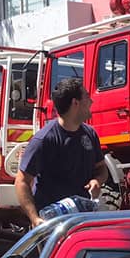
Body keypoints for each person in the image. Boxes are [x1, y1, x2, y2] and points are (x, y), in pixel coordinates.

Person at [15, 78, 108, 227]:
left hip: (82, 220)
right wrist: (35, 219)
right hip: (53, 223)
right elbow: (21, 182)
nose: (91, 101)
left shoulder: (90, 134)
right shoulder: (44, 140)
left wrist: (97, 180)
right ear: (75, 103)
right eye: (86, 96)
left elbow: (101, 168)